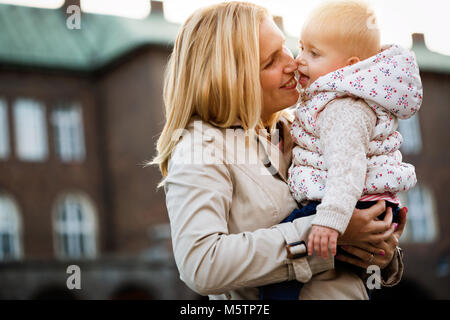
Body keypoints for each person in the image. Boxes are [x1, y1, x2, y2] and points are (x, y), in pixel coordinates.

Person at [151, 1, 405, 300]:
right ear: (231, 78)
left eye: (285, 47)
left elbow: (359, 239)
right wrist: (321, 234)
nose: (292, 62)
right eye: (270, 61)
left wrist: (382, 252)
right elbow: (201, 264)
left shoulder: (305, 128)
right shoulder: (201, 147)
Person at [288, 0, 422, 260]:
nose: (299, 60)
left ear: (349, 65)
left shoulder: (343, 107)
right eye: (301, 48)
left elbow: (347, 168)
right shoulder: (331, 100)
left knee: (287, 246)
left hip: (351, 205)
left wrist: (330, 220)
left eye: (314, 53)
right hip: (357, 202)